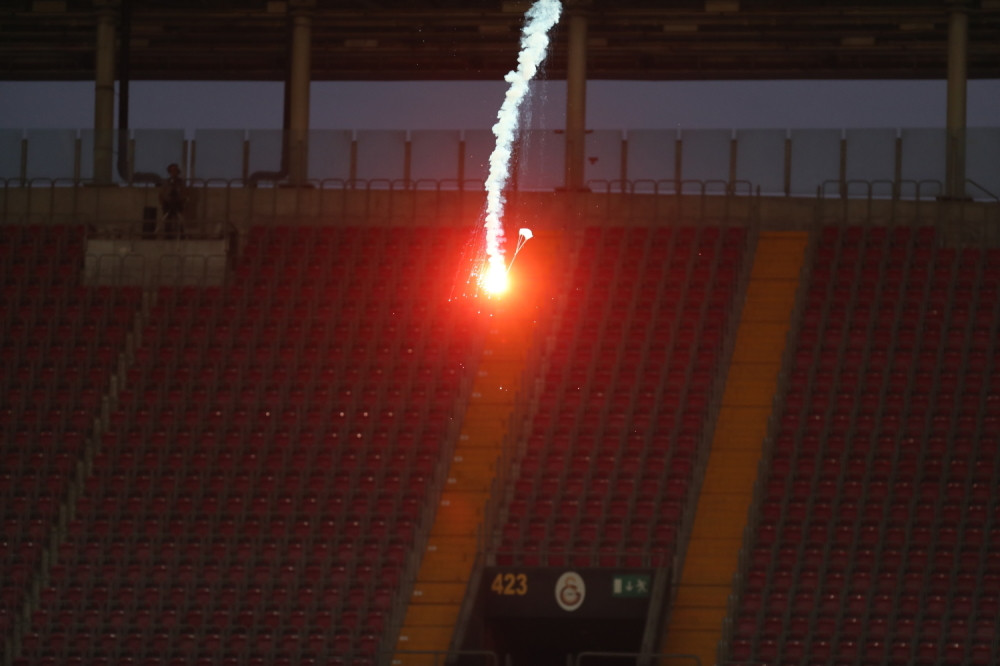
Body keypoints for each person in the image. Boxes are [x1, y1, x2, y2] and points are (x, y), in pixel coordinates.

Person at [158, 163, 188, 237]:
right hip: (168, 202)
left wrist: (183, 201)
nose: (173, 172)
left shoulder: (181, 182)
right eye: (172, 171)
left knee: (179, 219)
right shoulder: (166, 182)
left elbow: (184, 192)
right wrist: (162, 202)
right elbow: (162, 193)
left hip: (178, 202)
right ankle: (168, 235)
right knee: (167, 219)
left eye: (175, 170)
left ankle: (181, 234)